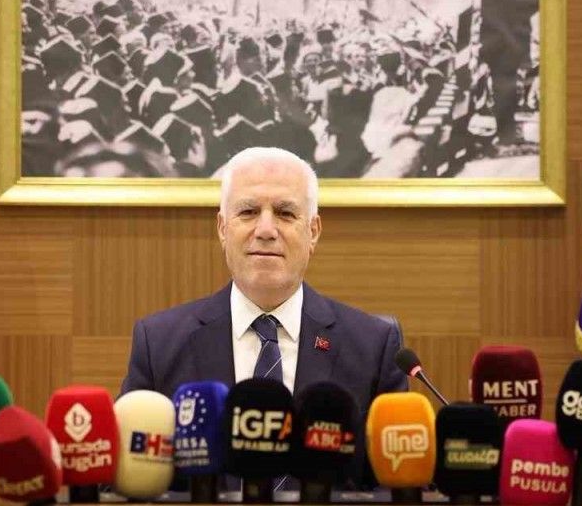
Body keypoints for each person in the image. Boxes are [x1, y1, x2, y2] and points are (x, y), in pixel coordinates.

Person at [119, 147, 408, 420]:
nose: (266, 230)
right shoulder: (159, 344)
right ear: (222, 229)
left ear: (313, 232)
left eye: (285, 213)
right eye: (248, 212)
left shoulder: (374, 347)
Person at [474, 0, 540, 146]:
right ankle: (504, 131)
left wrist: (510, 18)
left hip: (512, 34)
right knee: (497, 82)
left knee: (506, 81)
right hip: (490, 34)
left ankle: (507, 133)